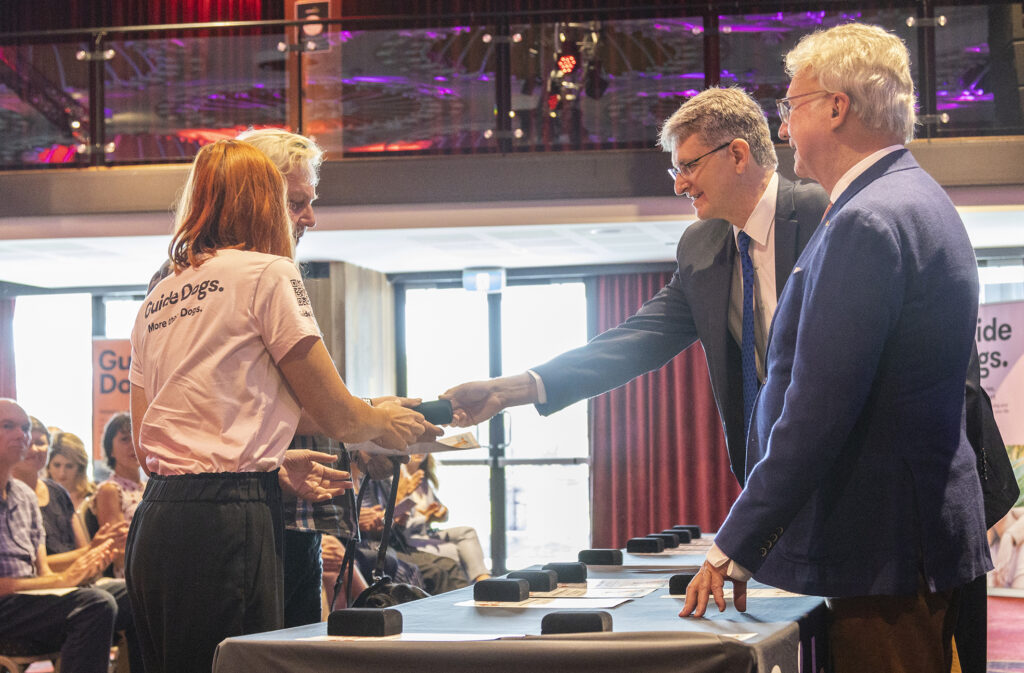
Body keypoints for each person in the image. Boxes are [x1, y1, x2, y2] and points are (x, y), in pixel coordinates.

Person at [679, 23, 991, 673]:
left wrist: (731, 543)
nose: (785, 128)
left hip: (882, 551)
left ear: (836, 107)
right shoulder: (914, 198)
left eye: (792, 106)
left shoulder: (867, 222)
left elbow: (816, 411)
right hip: (910, 541)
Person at [126, 139, 436, 673]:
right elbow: (336, 414)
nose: (308, 218)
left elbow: (148, 437)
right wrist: (388, 424)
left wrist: (271, 459)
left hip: (157, 519)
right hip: (230, 519)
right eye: (292, 200)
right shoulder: (268, 272)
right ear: (261, 196)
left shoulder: (160, 295)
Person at [441, 87, 828, 486]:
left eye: (689, 166)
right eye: (676, 171)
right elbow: (635, 342)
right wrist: (505, 392)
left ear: (737, 155)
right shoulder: (701, 247)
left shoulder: (825, 213)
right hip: (766, 478)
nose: (681, 185)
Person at [0, 398, 124, 673]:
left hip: (25, 603)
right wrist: (63, 578)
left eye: (24, 427)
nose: (21, 434)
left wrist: (83, 572)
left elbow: (40, 570)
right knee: (95, 605)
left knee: (132, 592)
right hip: (6, 607)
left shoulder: (25, 497)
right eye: (8, 426)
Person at [396, 454, 490, 582]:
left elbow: (437, 510)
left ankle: (484, 580)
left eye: (424, 446)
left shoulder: (423, 480)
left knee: (468, 532)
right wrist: (425, 518)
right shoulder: (397, 480)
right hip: (407, 538)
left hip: (425, 533)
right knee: (454, 551)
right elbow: (397, 522)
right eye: (415, 445)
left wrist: (441, 514)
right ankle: (478, 587)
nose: (420, 451)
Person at [92, 412, 144, 577]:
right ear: (110, 450)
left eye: (137, 437)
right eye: (124, 439)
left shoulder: (149, 487)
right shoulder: (110, 489)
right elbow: (118, 550)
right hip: (132, 572)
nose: (133, 444)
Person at [45, 430, 95, 511]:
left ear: (80, 468)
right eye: (57, 465)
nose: (62, 473)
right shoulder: (40, 498)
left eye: (69, 466)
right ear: (48, 466)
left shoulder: (94, 498)